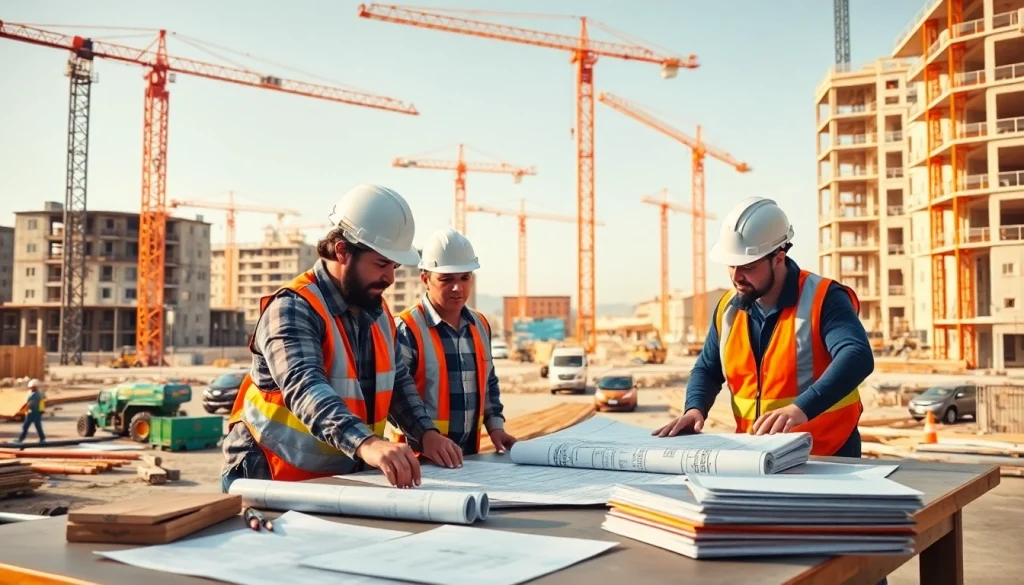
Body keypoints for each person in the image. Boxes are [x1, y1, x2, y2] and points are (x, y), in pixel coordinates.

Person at [222, 184, 463, 491]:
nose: (390, 277)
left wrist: (425, 433)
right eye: (381, 264)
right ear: (343, 251)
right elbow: (305, 386)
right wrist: (367, 443)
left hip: (342, 475)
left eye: (394, 266)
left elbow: (397, 381)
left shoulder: (376, 311)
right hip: (270, 474)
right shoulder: (293, 308)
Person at [654, 196, 874, 457]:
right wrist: (695, 409)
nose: (736, 277)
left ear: (778, 258)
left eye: (747, 266)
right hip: (758, 455)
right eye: (731, 265)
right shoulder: (729, 310)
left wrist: (801, 408)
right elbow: (707, 369)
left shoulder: (824, 298)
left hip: (828, 454)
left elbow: (857, 356)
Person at [391, 227, 517, 458]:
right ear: (425, 279)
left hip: (467, 458)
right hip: (418, 458)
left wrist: (495, 426)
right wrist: (425, 436)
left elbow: (488, 382)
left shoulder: (480, 325)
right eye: (446, 279)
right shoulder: (407, 328)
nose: (458, 287)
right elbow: (394, 397)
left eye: (465, 278)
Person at [17, 379, 46, 443]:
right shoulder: (38, 393)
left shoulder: (34, 394)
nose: (30, 388)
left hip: (34, 413)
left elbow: (30, 403)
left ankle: (21, 439)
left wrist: (23, 410)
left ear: (34, 387)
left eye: (31, 387)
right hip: (35, 412)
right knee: (33, 426)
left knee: (28, 426)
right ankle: (42, 438)